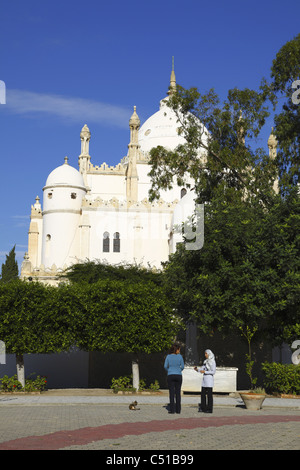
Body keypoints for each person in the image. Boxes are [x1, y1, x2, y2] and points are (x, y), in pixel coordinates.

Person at [164, 344, 184, 414]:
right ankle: (178, 410)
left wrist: (170, 370)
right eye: (179, 349)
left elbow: (165, 366)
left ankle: (172, 410)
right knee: (178, 393)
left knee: (171, 393)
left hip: (170, 375)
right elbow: (182, 366)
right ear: (176, 350)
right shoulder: (180, 356)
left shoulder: (168, 356)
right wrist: (178, 370)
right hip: (178, 375)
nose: (179, 351)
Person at [194, 349, 216, 413]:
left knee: (209, 395)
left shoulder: (212, 362)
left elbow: (213, 371)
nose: (205, 355)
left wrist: (205, 372)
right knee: (203, 394)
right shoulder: (206, 361)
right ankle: (203, 407)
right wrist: (197, 369)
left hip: (209, 381)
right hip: (204, 381)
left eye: (206, 354)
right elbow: (202, 368)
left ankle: (209, 408)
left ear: (209, 354)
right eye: (205, 354)